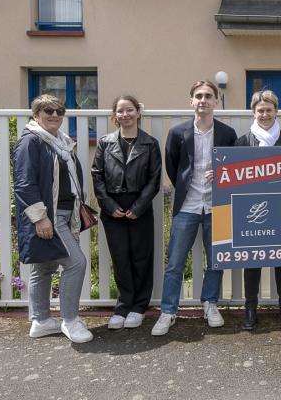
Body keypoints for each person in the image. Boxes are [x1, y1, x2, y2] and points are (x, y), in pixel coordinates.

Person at [151, 81, 238, 336]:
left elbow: (233, 168)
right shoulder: (178, 132)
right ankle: (168, 311)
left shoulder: (227, 133)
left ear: (216, 101)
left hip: (216, 205)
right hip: (187, 205)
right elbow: (172, 165)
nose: (203, 100)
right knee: (175, 262)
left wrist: (221, 173)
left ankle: (210, 304)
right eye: (198, 96)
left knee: (216, 260)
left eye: (208, 96)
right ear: (192, 101)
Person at [13, 94, 93, 344]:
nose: (55, 115)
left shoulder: (59, 142)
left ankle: (41, 321)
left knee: (44, 265)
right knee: (76, 263)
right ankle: (70, 320)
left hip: (64, 212)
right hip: (51, 216)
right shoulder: (31, 142)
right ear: (36, 115)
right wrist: (40, 218)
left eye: (59, 111)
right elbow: (24, 184)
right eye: (48, 111)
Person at [91, 95, 162, 330]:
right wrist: (110, 206)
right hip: (113, 208)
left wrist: (138, 207)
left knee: (141, 257)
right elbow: (97, 176)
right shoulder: (104, 143)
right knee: (120, 258)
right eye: (120, 111)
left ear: (138, 113)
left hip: (139, 206)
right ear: (115, 116)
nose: (125, 115)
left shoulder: (150, 143)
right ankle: (123, 306)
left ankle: (139, 306)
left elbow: (154, 179)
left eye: (129, 110)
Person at [236, 89, 281, 330]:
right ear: (253, 112)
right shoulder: (243, 142)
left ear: (276, 111)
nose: (264, 114)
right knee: (252, 261)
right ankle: (250, 308)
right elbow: (235, 179)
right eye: (260, 110)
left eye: (269, 110)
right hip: (252, 210)